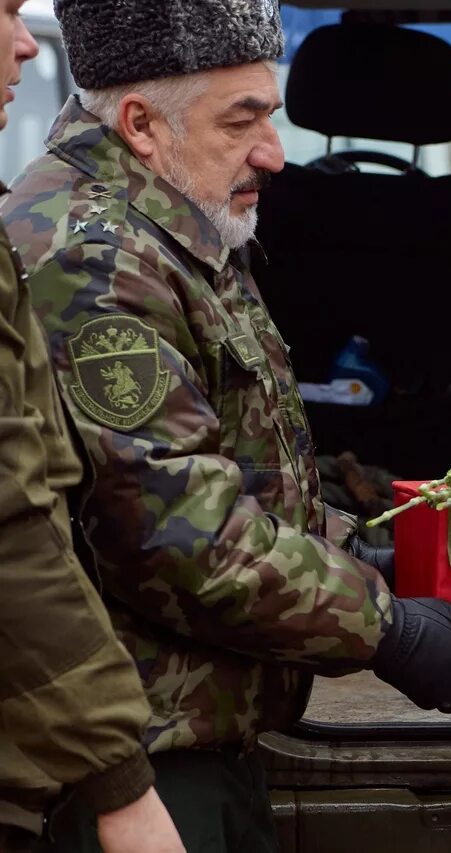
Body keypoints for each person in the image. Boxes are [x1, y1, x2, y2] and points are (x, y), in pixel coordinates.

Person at [1, 2, 451, 850]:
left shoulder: (174, 218)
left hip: (196, 744)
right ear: (141, 124)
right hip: (130, 774)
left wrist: (364, 553)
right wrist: (382, 626)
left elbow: (239, 472)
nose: (274, 154)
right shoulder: (94, 256)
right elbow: (174, 531)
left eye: (270, 116)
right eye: (240, 121)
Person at [0, 2, 184, 851]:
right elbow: (15, 526)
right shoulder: (90, 243)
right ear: (143, 127)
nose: (27, 42)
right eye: (3, 12)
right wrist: (120, 780)